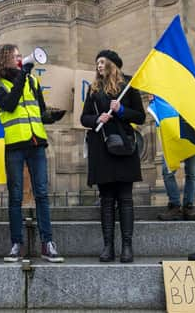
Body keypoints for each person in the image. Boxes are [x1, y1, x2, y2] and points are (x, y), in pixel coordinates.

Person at [0, 44, 64, 263]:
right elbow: (10, 105)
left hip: (36, 142)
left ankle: (48, 243)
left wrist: (52, 117)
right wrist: (24, 73)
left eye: (21, 55)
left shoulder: (32, 81)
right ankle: (16, 244)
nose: (20, 58)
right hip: (14, 145)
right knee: (16, 196)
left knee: (42, 193)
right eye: (16, 56)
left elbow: (38, 111)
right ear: (4, 59)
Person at [80, 50, 145, 263]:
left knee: (125, 199)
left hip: (125, 146)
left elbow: (141, 116)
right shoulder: (93, 89)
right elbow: (84, 118)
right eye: (97, 62)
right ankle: (108, 246)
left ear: (112, 64)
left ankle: (127, 246)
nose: (98, 65)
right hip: (101, 148)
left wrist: (121, 110)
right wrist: (97, 117)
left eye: (102, 62)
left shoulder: (128, 87)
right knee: (106, 199)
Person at [157, 154, 195, 221]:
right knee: (167, 172)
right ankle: (175, 207)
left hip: (193, 144)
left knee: (192, 174)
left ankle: (188, 207)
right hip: (173, 144)